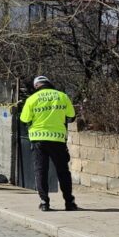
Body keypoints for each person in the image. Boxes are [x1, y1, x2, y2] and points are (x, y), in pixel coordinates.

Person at [19, 75, 77, 211]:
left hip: (38, 140)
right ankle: (69, 202)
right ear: (49, 84)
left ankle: (44, 202)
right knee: (63, 171)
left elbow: (24, 119)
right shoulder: (62, 96)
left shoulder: (31, 99)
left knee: (41, 171)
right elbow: (72, 116)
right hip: (57, 139)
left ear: (36, 86)